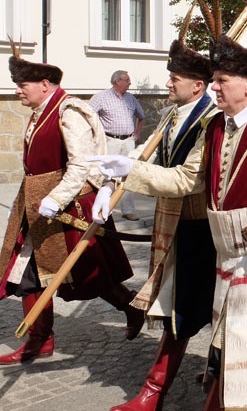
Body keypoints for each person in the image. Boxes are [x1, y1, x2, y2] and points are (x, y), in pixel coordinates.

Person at [91, 34, 247, 411]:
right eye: (213, 80)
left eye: (222, 80)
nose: (214, 87)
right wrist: (129, 170)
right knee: (239, 336)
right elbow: (185, 179)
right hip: (225, 252)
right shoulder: (213, 127)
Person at [0, 50, 143, 365]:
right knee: (29, 272)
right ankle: (40, 340)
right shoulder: (42, 109)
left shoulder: (68, 112)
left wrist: (54, 200)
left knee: (87, 273)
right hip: (37, 205)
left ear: (45, 84)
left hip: (68, 206)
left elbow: (80, 166)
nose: (17, 90)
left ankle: (131, 305)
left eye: (23, 83)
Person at [105, 40, 218, 411]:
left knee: (194, 308)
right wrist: (112, 182)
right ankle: (164, 389)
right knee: (182, 307)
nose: (168, 84)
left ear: (196, 85)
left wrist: (132, 172)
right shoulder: (174, 114)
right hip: (175, 226)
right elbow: (146, 152)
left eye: (174, 78)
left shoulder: (210, 120)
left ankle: (158, 391)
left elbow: (189, 180)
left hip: (206, 231)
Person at [89, 70, 145, 220]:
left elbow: (142, 117)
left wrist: (137, 133)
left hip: (128, 142)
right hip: (110, 141)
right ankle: (103, 209)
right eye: (127, 80)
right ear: (117, 81)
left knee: (129, 175)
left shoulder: (131, 99)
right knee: (106, 175)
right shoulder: (101, 97)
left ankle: (128, 210)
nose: (130, 83)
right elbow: (88, 116)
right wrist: (96, 137)